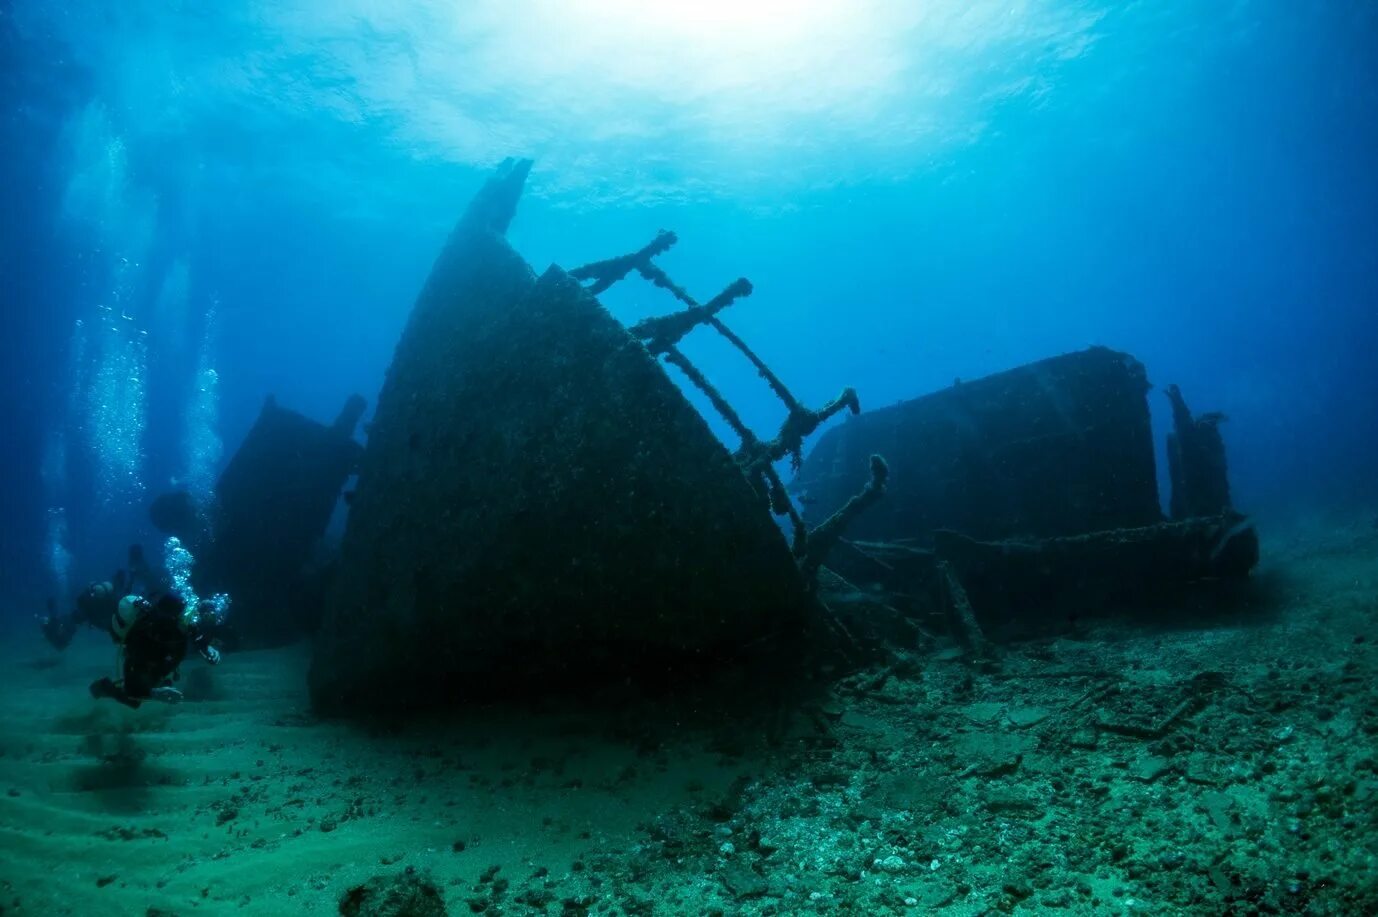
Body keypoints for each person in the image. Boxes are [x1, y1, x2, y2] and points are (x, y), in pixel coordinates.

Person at [88, 592, 222, 708]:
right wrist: (154, 694)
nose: (188, 620)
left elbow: (192, 628)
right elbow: (131, 686)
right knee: (134, 701)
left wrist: (205, 646)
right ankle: (104, 688)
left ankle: (154, 684)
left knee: (155, 681)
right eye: (183, 617)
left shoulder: (177, 619)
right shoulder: (143, 642)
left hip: (161, 658)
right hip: (149, 661)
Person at [39, 544, 157, 651]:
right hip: (104, 613)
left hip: (97, 613)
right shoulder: (117, 597)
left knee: (77, 618)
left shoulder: (101, 600)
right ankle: (57, 627)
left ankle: (57, 627)